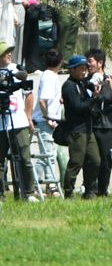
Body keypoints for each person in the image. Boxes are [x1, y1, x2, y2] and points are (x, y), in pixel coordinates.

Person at [86, 47, 112, 197]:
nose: (88, 65)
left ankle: (103, 190)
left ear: (100, 63)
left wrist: (110, 87)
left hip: (106, 126)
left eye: (90, 61)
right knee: (90, 159)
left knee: (105, 159)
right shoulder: (85, 81)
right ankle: (90, 189)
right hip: (89, 125)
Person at [61, 52, 101, 198]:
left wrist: (95, 90)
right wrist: (93, 99)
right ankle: (68, 191)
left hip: (88, 128)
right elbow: (78, 106)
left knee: (95, 160)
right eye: (80, 68)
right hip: (76, 130)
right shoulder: (69, 86)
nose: (84, 71)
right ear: (72, 69)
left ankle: (89, 188)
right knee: (76, 162)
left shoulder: (83, 83)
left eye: (85, 68)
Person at [0, 39, 37, 200]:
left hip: (19, 121)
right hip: (1, 124)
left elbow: (28, 94)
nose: (9, 54)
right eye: (5, 51)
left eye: (10, 51)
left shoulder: (17, 70)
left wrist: (28, 116)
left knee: (24, 158)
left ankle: (28, 192)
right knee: (0, 162)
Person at [32, 47, 66, 186]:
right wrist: (48, 118)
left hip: (46, 119)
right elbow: (42, 100)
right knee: (46, 155)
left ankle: (50, 184)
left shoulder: (49, 75)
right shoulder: (50, 77)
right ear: (61, 62)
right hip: (45, 121)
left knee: (50, 154)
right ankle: (33, 184)